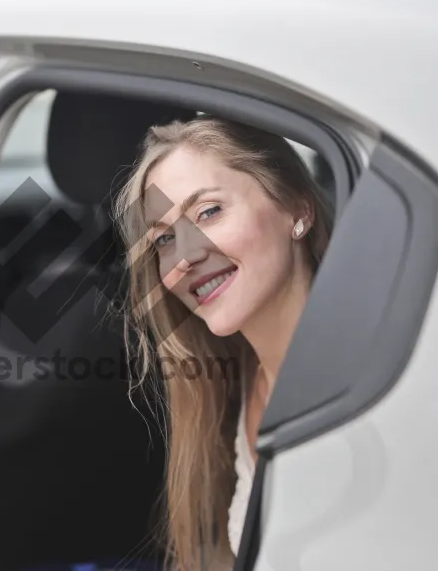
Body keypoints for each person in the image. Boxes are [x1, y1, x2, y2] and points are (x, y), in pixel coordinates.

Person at [112, 116, 333, 571]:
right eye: (165, 239)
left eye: (209, 212)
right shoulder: (242, 379)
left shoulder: (355, 389)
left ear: (298, 209)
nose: (186, 256)